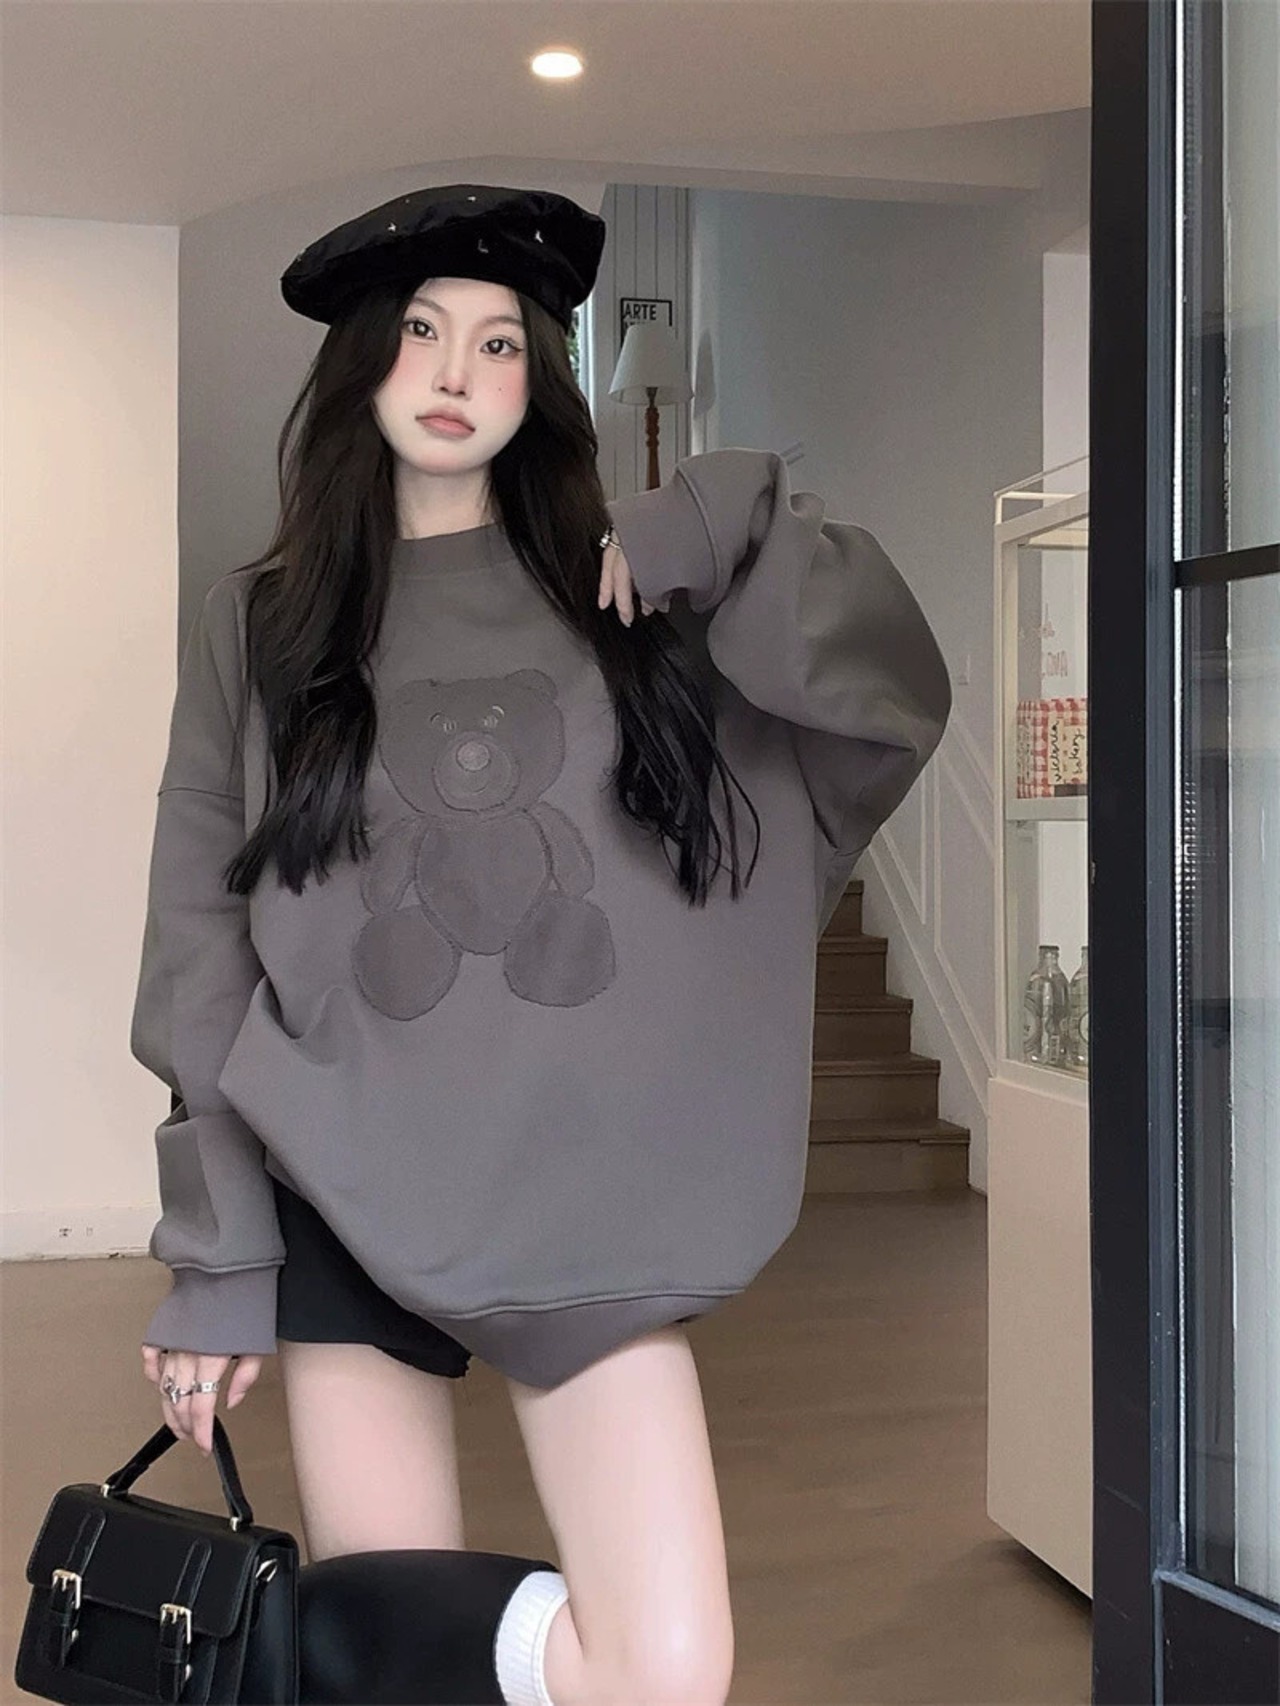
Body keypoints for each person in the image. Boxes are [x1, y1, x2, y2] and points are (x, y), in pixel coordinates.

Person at [131, 183, 952, 1705]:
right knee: (388, 1658)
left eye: (501, 342)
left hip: (580, 1211)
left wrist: (733, 519)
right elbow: (201, 942)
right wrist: (215, 1254)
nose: (457, 372)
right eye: (423, 330)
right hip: (338, 1181)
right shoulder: (259, 626)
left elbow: (886, 696)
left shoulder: (626, 594)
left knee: (663, 1667)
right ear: (362, 359)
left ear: (538, 382)